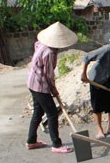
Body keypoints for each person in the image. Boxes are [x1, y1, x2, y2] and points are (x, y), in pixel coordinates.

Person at [26, 21, 78, 153]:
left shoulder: (41, 44)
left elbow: (36, 48)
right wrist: (53, 89)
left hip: (32, 82)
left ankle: (31, 141)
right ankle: (56, 145)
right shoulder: (50, 53)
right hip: (40, 85)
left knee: (38, 111)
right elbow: (49, 76)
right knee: (52, 114)